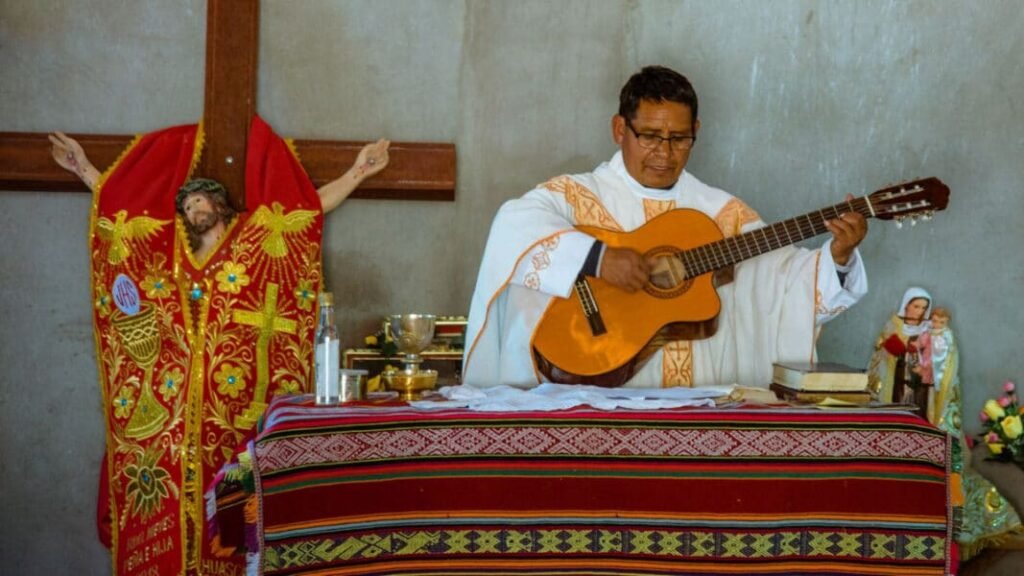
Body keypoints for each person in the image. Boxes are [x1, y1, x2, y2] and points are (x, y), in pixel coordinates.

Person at [50, 120, 388, 576]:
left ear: (219, 205)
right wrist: (84, 168)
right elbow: (123, 220)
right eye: (187, 205)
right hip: (172, 418)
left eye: (200, 202)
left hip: (237, 415)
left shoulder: (255, 238)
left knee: (233, 515)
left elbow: (308, 211)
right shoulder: (168, 250)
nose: (194, 210)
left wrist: (358, 172)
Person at [463, 65, 868, 389]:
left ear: (697, 133)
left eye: (679, 139)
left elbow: (781, 283)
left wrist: (838, 258)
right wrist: (597, 258)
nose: (665, 153)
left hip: (698, 407)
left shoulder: (720, 213)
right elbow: (513, 225)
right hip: (591, 393)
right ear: (620, 130)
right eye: (650, 136)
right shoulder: (577, 196)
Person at [867, 287, 931, 409]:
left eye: (924, 308)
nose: (920, 311)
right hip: (897, 375)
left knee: (920, 406)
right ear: (906, 305)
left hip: (920, 380)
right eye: (916, 306)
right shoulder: (894, 324)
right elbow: (882, 351)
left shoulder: (929, 328)